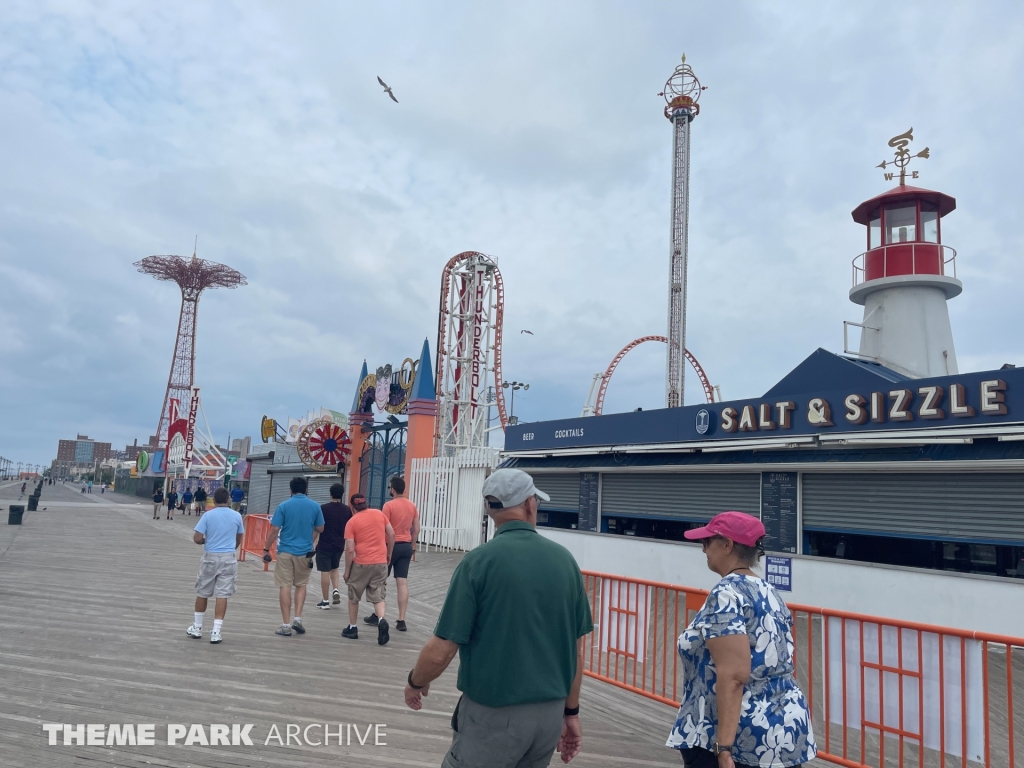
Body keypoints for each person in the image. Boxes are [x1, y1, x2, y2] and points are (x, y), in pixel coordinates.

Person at [404, 468, 593, 767]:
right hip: (549, 717)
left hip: (493, 717)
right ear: (531, 504)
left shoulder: (478, 562)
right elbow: (575, 650)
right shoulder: (565, 561)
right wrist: (571, 713)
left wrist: (416, 681)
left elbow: (443, 649)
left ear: (488, 509)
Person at [666, 512, 816, 768]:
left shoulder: (725, 594)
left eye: (707, 542)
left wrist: (723, 749)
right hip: (783, 734)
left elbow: (734, 675)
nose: (703, 549)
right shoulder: (769, 591)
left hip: (740, 739)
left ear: (727, 545)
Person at [263, 477, 324, 636]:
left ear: (291, 490)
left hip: (285, 551)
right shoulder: (315, 506)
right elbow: (320, 528)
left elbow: (274, 530)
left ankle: (285, 625)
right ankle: (298, 618)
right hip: (305, 552)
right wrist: (311, 539)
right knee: (301, 585)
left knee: (285, 585)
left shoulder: (284, 506)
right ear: (306, 490)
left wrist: (266, 549)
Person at [186, 487, 245, 644]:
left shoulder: (208, 515)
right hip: (228, 557)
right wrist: (232, 547)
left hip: (210, 556)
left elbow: (197, 538)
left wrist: (208, 540)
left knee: (203, 591)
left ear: (214, 500)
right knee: (222, 594)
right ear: (228, 500)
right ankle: (216, 632)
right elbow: (239, 537)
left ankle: (197, 627)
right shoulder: (237, 516)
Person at [342, 493, 394, 644]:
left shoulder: (351, 522)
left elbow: (350, 549)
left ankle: (352, 628)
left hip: (361, 563)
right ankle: (381, 620)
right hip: (380, 562)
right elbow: (391, 534)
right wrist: (389, 553)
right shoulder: (379, 514)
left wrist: (347, 571)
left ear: (352, 506)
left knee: (354, 596)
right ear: (366, 503)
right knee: (378, 595)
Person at [370, 475, 419, 631]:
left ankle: (378, 614)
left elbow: (385, 529)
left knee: (381, 580)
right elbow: (416, 529)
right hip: (406, 546)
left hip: (391, 546)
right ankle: (401, 619)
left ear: (392, 489)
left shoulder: (388, 506)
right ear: (403, 489)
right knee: (402, 581)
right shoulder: (412, 506)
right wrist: (412, 545)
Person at [315, 483, 352, 610]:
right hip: (339, 544)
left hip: (325, 544)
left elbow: (318, 527)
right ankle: (335, 589)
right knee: (334, 568)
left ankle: (325, 601)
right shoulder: (347, 510)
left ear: (330, 493)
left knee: (324, 572)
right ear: (342, 495)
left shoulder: (323, 508)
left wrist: (312, 542)